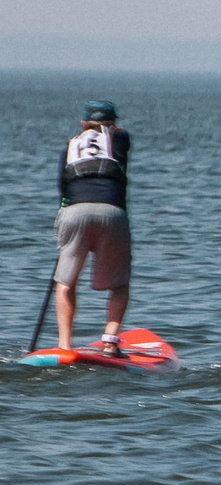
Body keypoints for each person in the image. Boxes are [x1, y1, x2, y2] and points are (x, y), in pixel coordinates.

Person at [53, 101, 133, 353]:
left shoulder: (69, 145)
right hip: (112, 211)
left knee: (65, 282)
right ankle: (110, 340)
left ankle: (65, 345)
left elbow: (62, 187)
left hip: (73, 210)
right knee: (119, 282)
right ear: (113, 124)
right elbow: (118, 136)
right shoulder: (119, 139)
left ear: (83, 124)